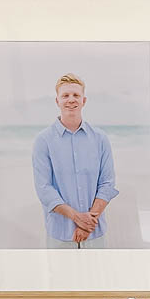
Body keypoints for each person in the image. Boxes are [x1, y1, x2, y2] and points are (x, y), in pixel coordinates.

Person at [31, 74, 118, 247]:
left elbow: (107, 183)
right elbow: (44, 189)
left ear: (84, 100)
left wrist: (87, 225)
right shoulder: (43, 141)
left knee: (98, 275)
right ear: (57, 101)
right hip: (59, 234)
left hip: (95, 233)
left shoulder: (100, 138)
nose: (71, 100)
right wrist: (76, 217)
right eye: (65, 95)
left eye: (76, 95)